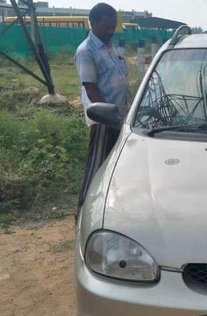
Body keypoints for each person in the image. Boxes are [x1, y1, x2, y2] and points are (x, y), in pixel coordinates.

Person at [75, 2, 131, 210]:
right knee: (96, 167)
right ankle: (83, 211)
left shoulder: (110, 47)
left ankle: (109, 208)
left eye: (113, 26)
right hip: (103, 118)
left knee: (114, 166)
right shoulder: (86, 51)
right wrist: (110, 114)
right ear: (93, 23)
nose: (111, 31)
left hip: (121, 119)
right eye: (107, 26)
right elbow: (91, 90)